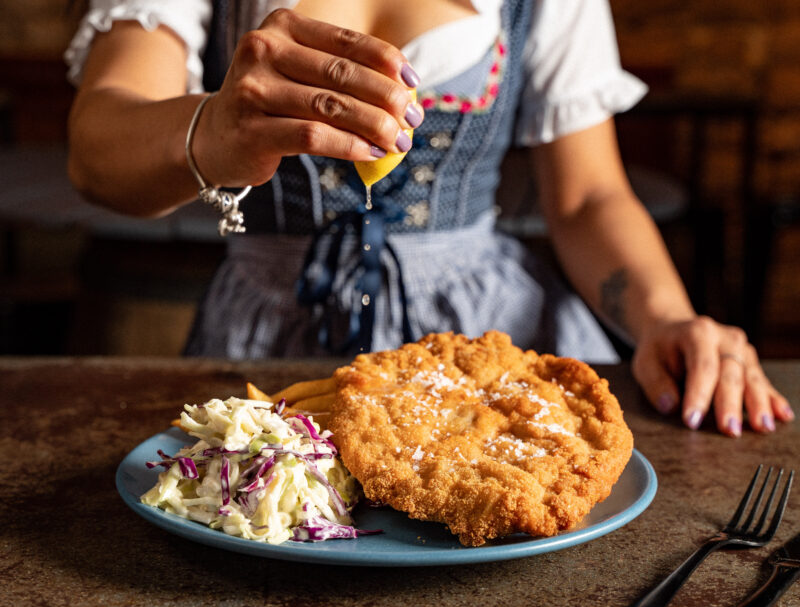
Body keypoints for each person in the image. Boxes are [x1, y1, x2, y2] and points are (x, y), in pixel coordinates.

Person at [64, 0, 793, 437]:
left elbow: (587, 198)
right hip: (271, 333)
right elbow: (98, 155)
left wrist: (664, 317)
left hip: (494, 340)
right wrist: (213, 130)